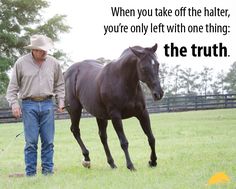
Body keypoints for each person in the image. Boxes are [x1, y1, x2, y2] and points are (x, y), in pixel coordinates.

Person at [6, 34, 65, 177]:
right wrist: (14, 104)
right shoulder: (21, 63)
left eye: (47, 49)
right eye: (42, 50)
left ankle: (48, 173)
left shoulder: (54, 63)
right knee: (31, 142)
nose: (45, 52)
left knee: (48, 142)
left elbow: (60, 84)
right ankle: (30, 174)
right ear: (34, 50)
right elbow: (12, 88)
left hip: (47, 104)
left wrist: (61, 100)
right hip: (28, 105)